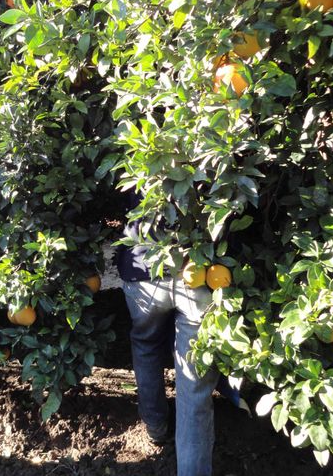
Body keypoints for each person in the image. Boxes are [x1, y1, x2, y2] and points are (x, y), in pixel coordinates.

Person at [116, 192, 219, 476]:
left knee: (146, 343)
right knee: (194, 380)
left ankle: (156, 426)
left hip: (143, 269)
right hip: (197, 271)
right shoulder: (208, 147)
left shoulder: (131, 148)